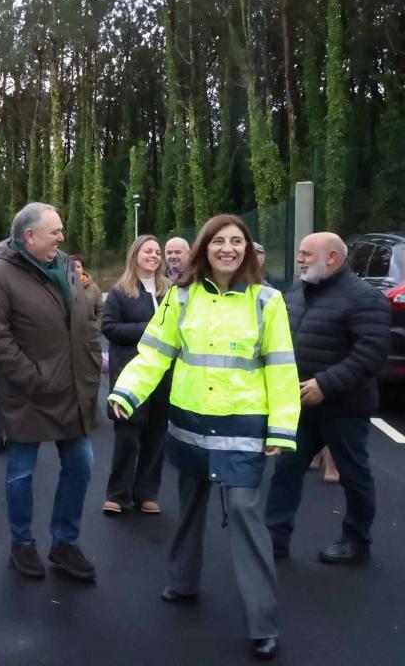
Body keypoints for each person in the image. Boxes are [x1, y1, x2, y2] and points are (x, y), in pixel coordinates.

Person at [109, 214, 299, 661]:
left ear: (247, 249)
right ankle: (183, 582)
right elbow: (154, 353)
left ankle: (262, 623)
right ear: (204, 248)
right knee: (189, 506)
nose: (228, 248)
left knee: (245, 514)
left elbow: (281, 367)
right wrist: (127, 393)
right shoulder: (181, 296)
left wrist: (282, 426)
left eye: (236, 241)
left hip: (244, 425)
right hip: (190, 422)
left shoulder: (268, 301)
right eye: (218, 241)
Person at [0, 203, 101, 581]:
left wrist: (91, 358)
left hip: (73, 388)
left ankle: (64, 543)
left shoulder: (63, 264)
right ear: (29, 236)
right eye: (54, 231)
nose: (61, 237)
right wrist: (33, 378)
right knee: (21, 473)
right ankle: (22, 544)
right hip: (30, 393)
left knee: (81, 465)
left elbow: (84, 318)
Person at [265, 232, 390, 565]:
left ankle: (357, 542)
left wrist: (325, 384)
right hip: (300, 405)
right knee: (286, 471)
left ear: (332, 257)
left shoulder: (364, 298)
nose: (300, 259)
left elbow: (371, 354)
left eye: (306, 254)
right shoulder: (297, 293)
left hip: (344, 408)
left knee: (354, 476)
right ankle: (274, 539)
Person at [101, 235, 171, 514]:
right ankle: (118, 494)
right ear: (135, 255)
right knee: (128, 435)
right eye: (148, 251)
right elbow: (109, 328)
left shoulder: (170, 291)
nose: (154, 255)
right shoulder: (120, 291)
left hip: (163, 374)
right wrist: (149, 328)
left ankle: (147, 493)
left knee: (157, 434)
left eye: (157, 252)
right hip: (130, 373)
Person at [69, 254, 104, 328]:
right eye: (72, 266)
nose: (75, 269)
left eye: (78, 266)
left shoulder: (93, 288)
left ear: (82, 269)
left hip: (91, 331)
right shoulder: (62, 287)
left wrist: (96, 327)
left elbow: (101, 310)